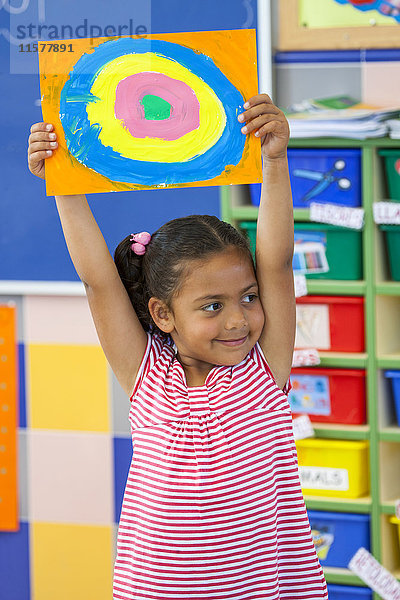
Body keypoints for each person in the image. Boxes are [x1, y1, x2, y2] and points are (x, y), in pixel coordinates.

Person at [28, 94, 328, 599]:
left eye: (248, 298)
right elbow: (99, 281)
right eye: (212, 306)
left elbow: (275, 262)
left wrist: (273, 161)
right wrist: (63, 183)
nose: (238, 320)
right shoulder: (146, 375)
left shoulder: (263, 369)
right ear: (163, 314)